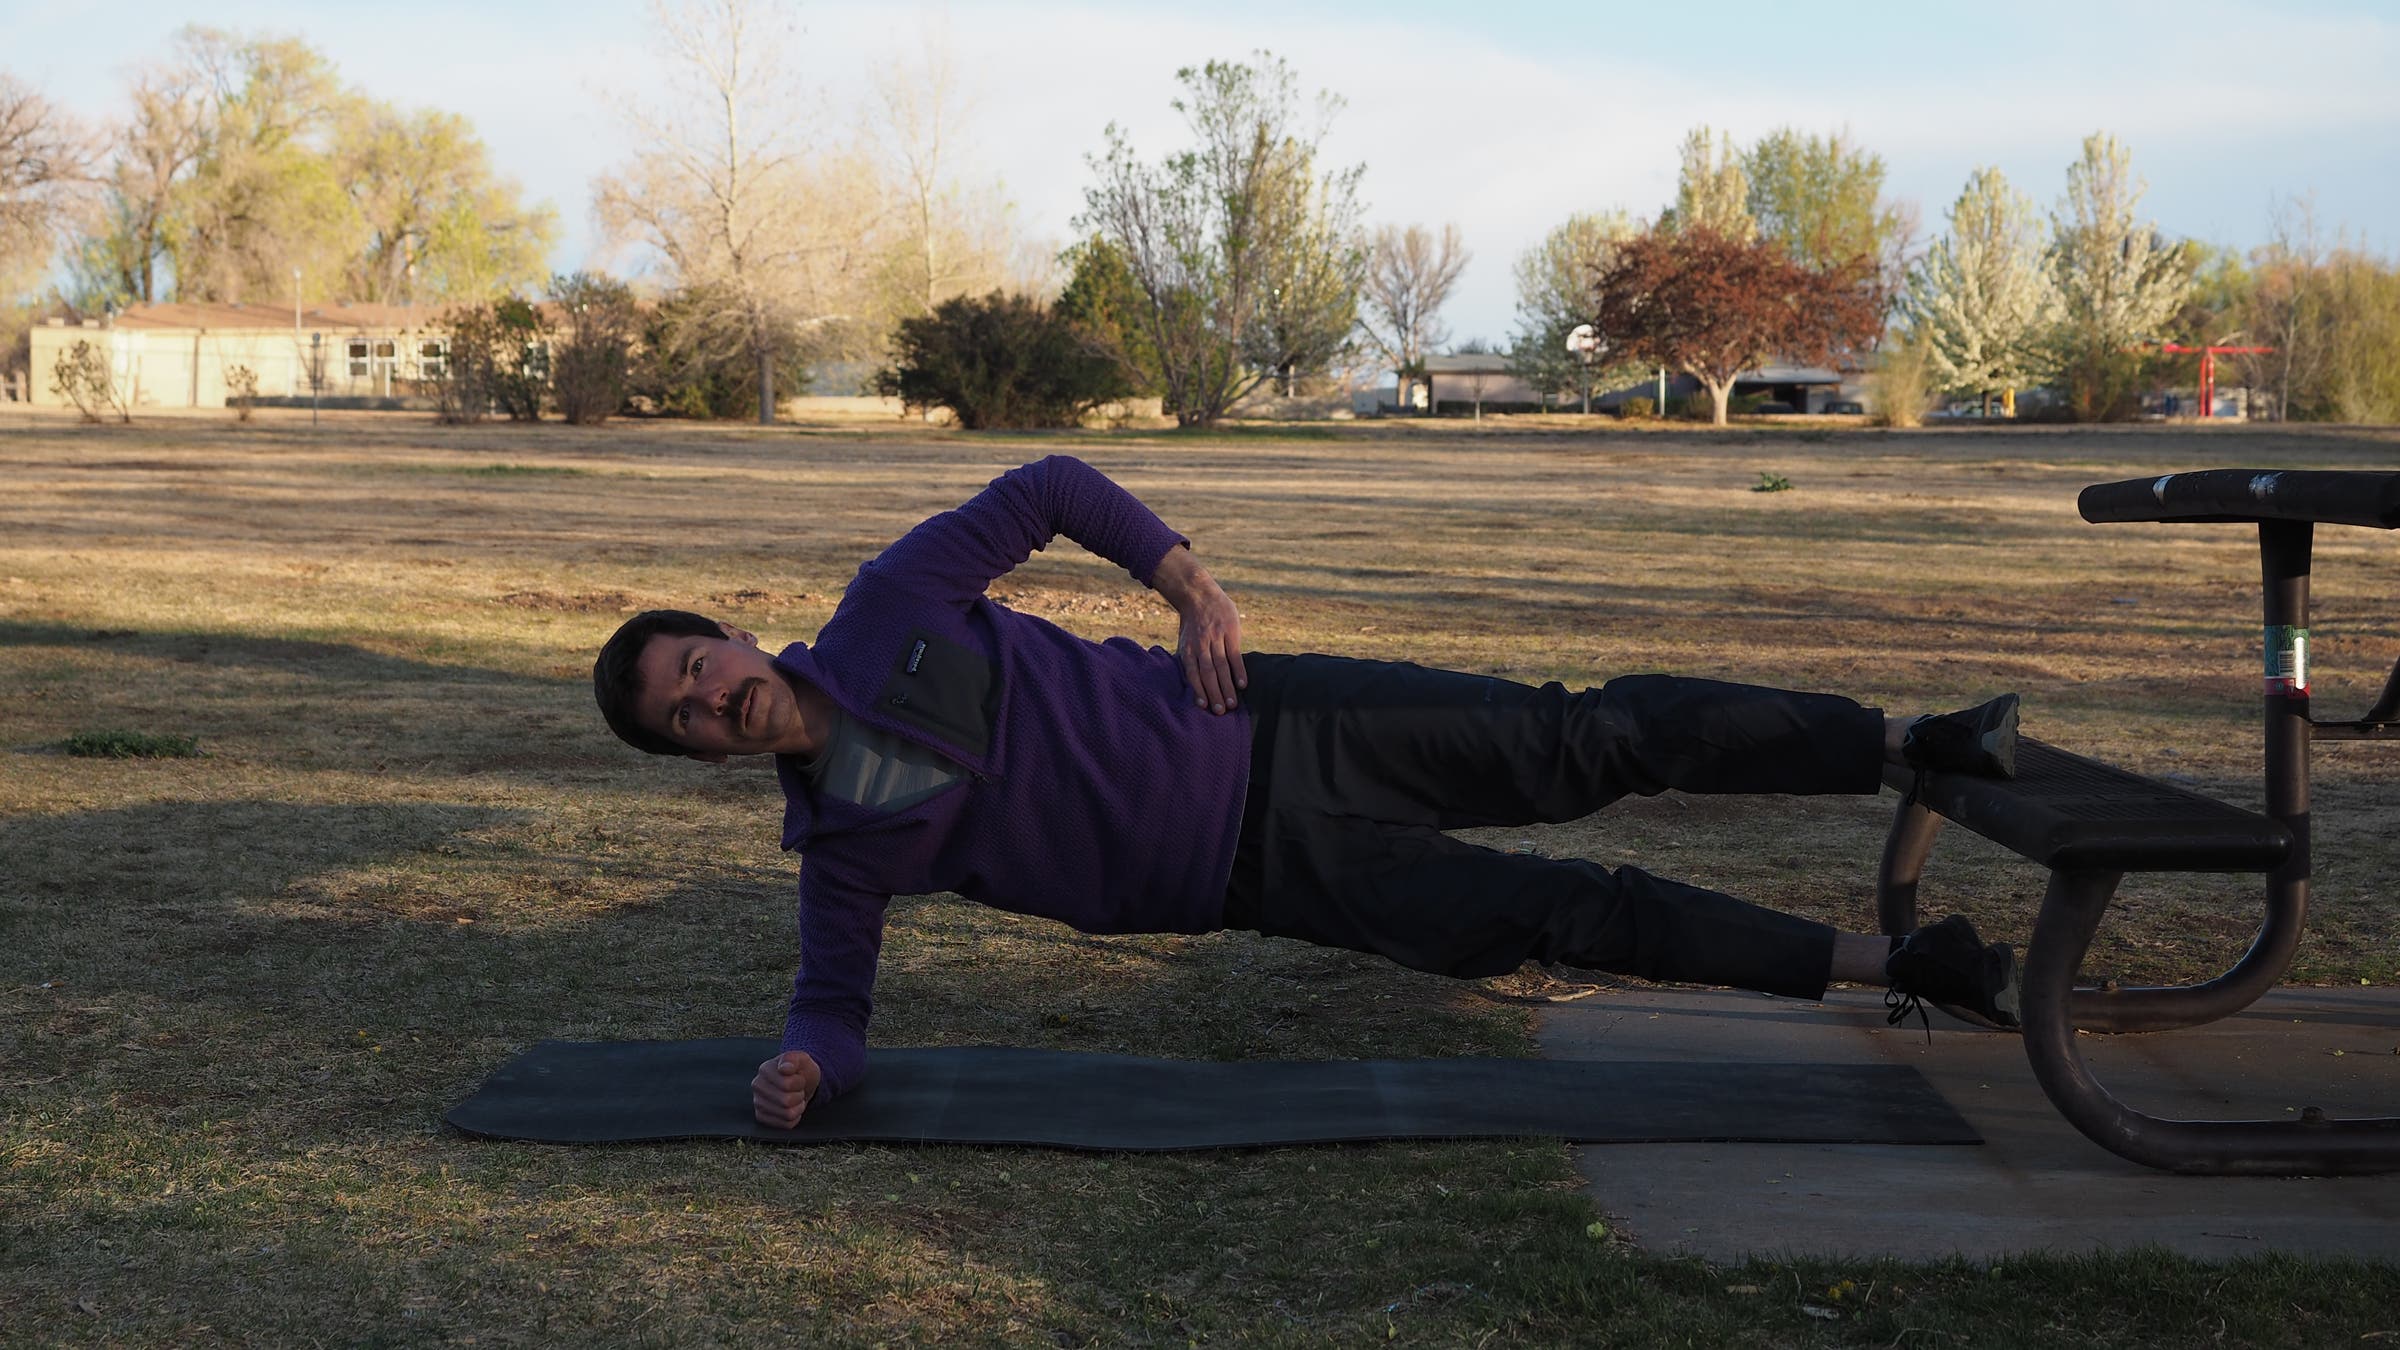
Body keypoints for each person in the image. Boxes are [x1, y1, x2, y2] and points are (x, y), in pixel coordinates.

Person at [591, 455, 2023, 1130]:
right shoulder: (840, 854)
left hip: (1291, 721)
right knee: (1577, 916)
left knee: (1590, 741)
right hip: (1268, 881)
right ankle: (1900, 963)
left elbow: (1048, 489)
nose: (714, 695)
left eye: (698, 662)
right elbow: (832, 1010)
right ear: (703, 754)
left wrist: (1191, 585)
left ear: (725, 633)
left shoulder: (886, 603)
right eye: (687, 716)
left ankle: (1903, 746)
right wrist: (806, 1071)